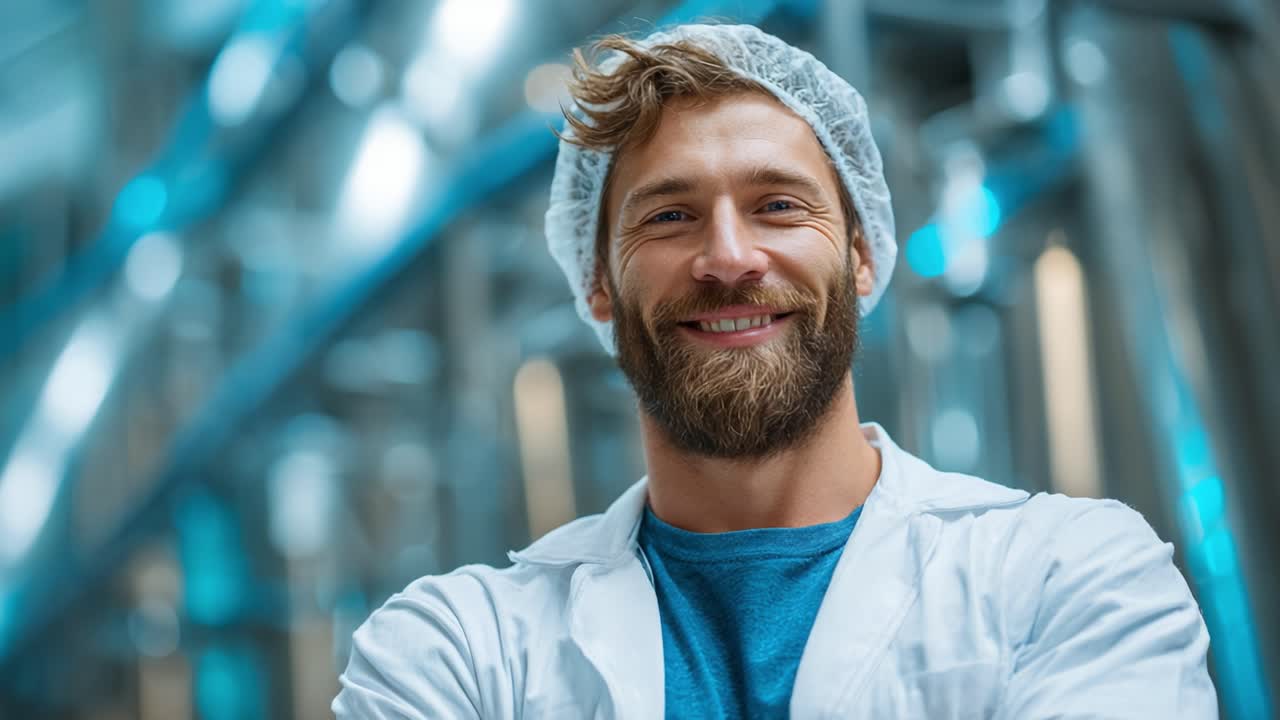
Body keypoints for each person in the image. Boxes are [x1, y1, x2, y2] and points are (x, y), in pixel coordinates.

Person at [333, 23, 1217, 719]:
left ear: (863, 257)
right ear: (598, 286)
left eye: (779, 206)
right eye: (671, 215)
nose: (728, 257)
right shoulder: (457, 651)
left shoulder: (1070, 578)